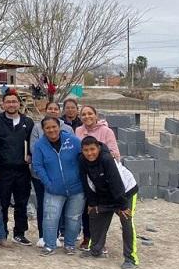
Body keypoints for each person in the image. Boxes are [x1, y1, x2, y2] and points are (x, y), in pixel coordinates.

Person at [78, 136, 139, 269]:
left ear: (98, 148)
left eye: (92, 149)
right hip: (105, 193)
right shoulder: (82, 160)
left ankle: (131, 258)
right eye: (86, 150)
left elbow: (116, 182)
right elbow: (86, 182)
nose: (90, 153)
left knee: (126, 221)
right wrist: (92, 203)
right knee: (94, 214)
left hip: (125, 191)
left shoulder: (106, 159)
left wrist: (123, 206)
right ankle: (96, 250)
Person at [32, 117, 84, 256]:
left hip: (76, 189)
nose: (52, 130)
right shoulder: (39, 145)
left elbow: (83, 158)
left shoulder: (72, 141)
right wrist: (48, 183)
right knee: (50, 217)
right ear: (43, 130)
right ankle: (49, 245)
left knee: (73, 218)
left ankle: (70, 244)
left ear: (59, 127)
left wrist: (81, 179)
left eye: (54, 126)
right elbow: (37, 166)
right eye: (48, 128)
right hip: (53, 190)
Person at [0, 91, 35, 246]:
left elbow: (32, 143)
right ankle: (1, 234)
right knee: (1, 203)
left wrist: (30, 155)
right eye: (8, 102)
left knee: (21, 203)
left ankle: (20, 233)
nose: (11, 104)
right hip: (3, 170)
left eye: (14, 101)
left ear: (19, 103)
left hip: (22, 170)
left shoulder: (28, 122)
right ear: (3, 104)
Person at [29, 101, 75, 247]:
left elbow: (72, 149)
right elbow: (34, 148)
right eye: (50, 108)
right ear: (45, 110)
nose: (53, 111)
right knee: (43, 205)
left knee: (62, 205)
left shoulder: (67, 128)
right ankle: (45, 235)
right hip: (41, 175)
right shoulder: (37, 127)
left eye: (56, 109)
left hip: (62, 175)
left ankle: (61, 233)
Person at [75, 105, 121, 251]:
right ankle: (87, 237)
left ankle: (100, 241)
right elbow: (79, 153)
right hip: (86, 175)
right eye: (83, 114)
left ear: (96, 115)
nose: (87, 116)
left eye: (90, 113)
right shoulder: (78, 131)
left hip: (102, 178)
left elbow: (114, 153)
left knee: (101, 211)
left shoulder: (106, 131)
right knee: (87, 209)